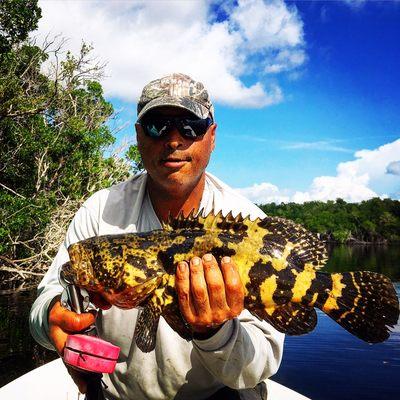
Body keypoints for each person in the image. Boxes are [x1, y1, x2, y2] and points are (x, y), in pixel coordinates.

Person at [30, 73, 284, 400]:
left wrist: (214, 332)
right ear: (139, 135)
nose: (174, 140)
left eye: (190, 125)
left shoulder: (251, 226)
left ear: (212, 135)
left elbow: (255, 369)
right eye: (157, 125)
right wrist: (51, 315)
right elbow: (45, 302)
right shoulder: (99, 212)